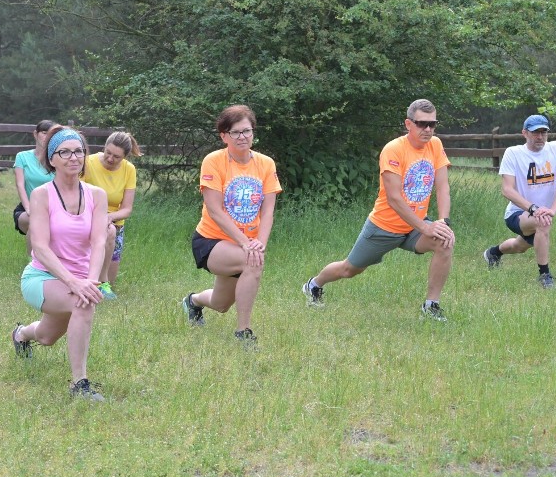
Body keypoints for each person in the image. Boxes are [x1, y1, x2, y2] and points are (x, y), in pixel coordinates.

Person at [301, 99, 455, 321]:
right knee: (349, 269)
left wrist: (443, 222)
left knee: (445, 241)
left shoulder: (436, 145)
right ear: (408, 124)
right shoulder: (394, 149)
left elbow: (442, 186)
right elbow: (394, 198)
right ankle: (314, 284)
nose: (428, 129)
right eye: (422, 124)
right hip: (384, 227)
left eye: (433, 124)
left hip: (414, 226)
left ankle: (431, 306)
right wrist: (425, 227)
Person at [10, 125, 109, 401]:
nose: (73, 157)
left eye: (79, 151)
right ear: (52, 159)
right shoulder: (42, 194)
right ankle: (80, 384)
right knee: (83, 304)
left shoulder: (96, 195)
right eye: (64, 152)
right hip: (42, 277)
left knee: (46, 336)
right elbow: (40, 247)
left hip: (79, 279)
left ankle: (20, 334)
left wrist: (90, 280)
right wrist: (73, 283)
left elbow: (99, 241)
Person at [182, 104, 282, 344]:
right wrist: (246, 245)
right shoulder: (213, 161)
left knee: (220, 304)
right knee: (252, 262)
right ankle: (243, 333)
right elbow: (215, 210)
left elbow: (268, 211)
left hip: (245, 244)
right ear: (224, 136)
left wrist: (259, 244)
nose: (242, 137)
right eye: (235, 132)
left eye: (247, 131)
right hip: (211, 240)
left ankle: (193, 301)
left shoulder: (266, 164)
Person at [482, 114, 556, 288]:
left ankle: (493, 253)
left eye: (543, 132)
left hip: (544, 212)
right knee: (542, 223)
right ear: (525, 133)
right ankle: (545, 276)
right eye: (535, 132)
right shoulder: (513, 153)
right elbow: (507, 189)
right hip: (517, 212)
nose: (540, 137)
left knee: (519, 246)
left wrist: (553, 210)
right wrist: (533, 209)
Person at [82, 131, 141, 299]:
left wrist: (109, 218)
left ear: (125, 157)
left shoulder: (129, 170)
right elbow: (78, 195)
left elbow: (127, 209)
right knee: (109, 232)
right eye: (108, 153)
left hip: (113, 219)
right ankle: (96, 281)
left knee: (110, 280)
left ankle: (102, 282)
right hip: (88, 214)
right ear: (104, 147)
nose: (110, 159)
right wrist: (98, 217)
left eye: (116, 157)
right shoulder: (88, 162)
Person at [13, 119, 56, 254]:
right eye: (44, 132)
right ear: (35, 134)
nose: (46, 136)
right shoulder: (22, 157)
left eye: (50, 134)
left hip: (54, 207)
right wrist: (28, 208)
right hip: (28, 206)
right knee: (35, 223)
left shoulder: (57, 159)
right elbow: (20, 185)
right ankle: (33, 265)